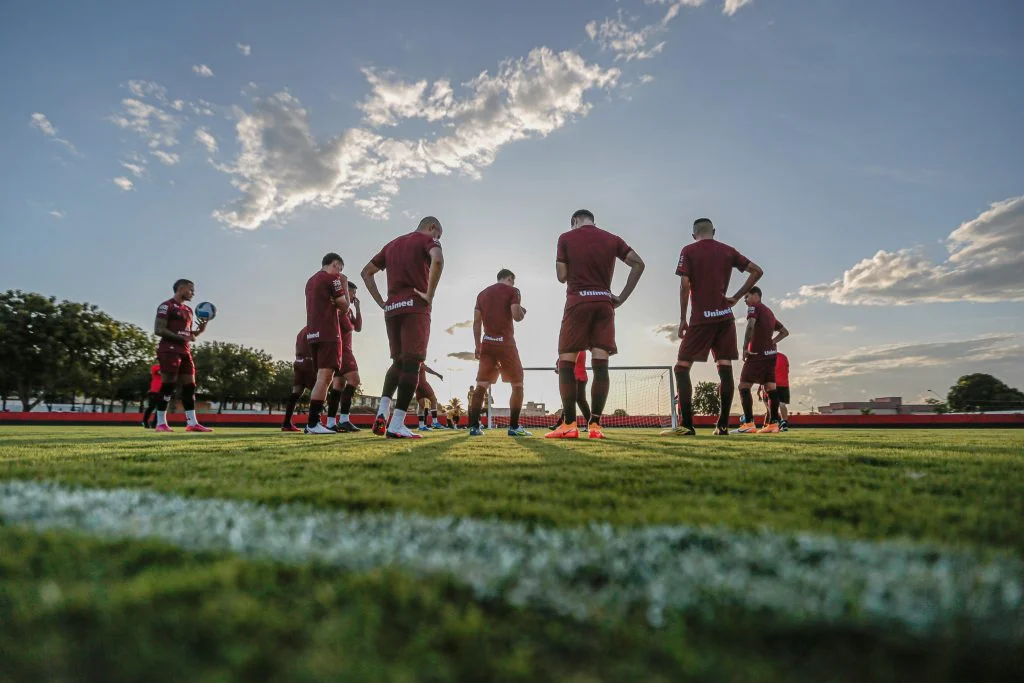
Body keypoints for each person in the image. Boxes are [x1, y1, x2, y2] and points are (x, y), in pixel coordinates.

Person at [546, 209, 645, 439]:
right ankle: (595, 425)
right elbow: (638, 264)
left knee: (566, 362)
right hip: (604, 303)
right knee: (601, 365)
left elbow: (561, 276)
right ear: (593, 220)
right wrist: (621, 296)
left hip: (577, 302)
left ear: (574, 222)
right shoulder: (612, 238)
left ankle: (569, 424)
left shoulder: (566, 238)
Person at [662, 218, 762, 437]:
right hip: (725, 318)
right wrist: (736, 297)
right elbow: (756, 271)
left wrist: (682, 318)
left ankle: (687, 426)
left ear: (693, 234)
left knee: (681, 367)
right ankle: (722, 425)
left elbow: (685, 285)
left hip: (701, 318)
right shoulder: (728, 251)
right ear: (714, 231)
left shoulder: (688, 250)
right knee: (725, 368)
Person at [361, 216, 444, 439]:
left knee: (398, 362)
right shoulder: (426, 241)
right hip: (415, 307)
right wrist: (430, 294)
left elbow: (366, 272)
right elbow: (437, 260)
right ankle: (396, 424)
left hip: (393, 308)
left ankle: (382, 411)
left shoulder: (392, 244)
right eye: (438, 235)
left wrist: (381, 302)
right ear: (431, 227)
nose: (437, 239)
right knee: (412, 363)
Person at [469, 269, 529, 437]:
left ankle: (474, 427)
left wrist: (477, 346)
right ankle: (514, 427)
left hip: (487, 344)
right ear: (509, 278)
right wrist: (523, 311)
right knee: (517, 384)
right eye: (512, 281)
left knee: (481, 384)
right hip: (506, 345)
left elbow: (476, 322)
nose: (513, 284)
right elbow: (517, 316)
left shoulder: (482, 294)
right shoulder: (513, 291)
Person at [152, 279, 212, 432]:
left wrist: (201, 329)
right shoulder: (167, 306)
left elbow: (188, 335)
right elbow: (159, 329)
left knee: (190, 386)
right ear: (182, 288)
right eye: (191, 289)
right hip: (169, 349)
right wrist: (182, 338)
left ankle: (192, 423)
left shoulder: (189, 310)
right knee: (168, 385)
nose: (193, 293)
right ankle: (160, 423)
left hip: (185, 351)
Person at [304, 253, 349, 434]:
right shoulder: (333, 279)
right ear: (336, 264)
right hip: (329, 332)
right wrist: (343, 285)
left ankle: (313, 423)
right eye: (340, 268)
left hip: (313, 333)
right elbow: (344, 305)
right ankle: (313, 423)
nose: (340, 272)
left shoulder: (310, 281)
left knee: (320, 378)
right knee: (325, 378)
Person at [736, 287, 789, 433]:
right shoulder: (769, 312)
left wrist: (745, 347)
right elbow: (785, 332)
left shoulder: (755, 307)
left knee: (743, 386)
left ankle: (749, 424)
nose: (745, 300)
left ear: (756, 295)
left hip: (756, 354)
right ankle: (773, 425)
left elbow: (750, 325)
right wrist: (773, 341)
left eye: (746, 296)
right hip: (771, 354)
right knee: (771, 388)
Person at [326, 281, 363, 432]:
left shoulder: (349, 311)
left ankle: (330, 422)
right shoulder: (340, 309)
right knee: (354, 380)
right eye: (352, 292)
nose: (354, 295)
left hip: (341, 350)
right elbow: (349, 327)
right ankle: (344, 419)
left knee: (338, 386)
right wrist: (348, 313)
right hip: (343, 349)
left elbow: (358, 328)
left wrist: (358, 309)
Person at [281, 325, 317, 431]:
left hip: (298, 362)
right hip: (309, 362)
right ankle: (314, 423)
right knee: (319, 389)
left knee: (296, 393)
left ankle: (286, 423)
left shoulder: (301, 331)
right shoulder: (315, 328)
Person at [416, 364, 445, 430]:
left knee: (421, 405)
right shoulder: (418, 359)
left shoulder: (409, 361)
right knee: (434, 400)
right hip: (423, 384)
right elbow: (427, 369)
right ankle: (435, 422)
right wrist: (438, 374)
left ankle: (421, 426)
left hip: (416, 385)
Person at [141, 362, 162, 428]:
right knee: (151, 407)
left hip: (163, 391)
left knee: (160, 409)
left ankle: (155, 424)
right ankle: (145, 421)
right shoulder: (156, 366)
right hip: (154, 391)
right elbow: (160, 372)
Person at [775, 351, 791, 431]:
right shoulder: (784, 356)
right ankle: (784, 423)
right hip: (784, 384)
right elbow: (787, 370)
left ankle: (774, 423)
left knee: (771, 405)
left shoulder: (768, 356)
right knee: (782, 404)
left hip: (773, 383)